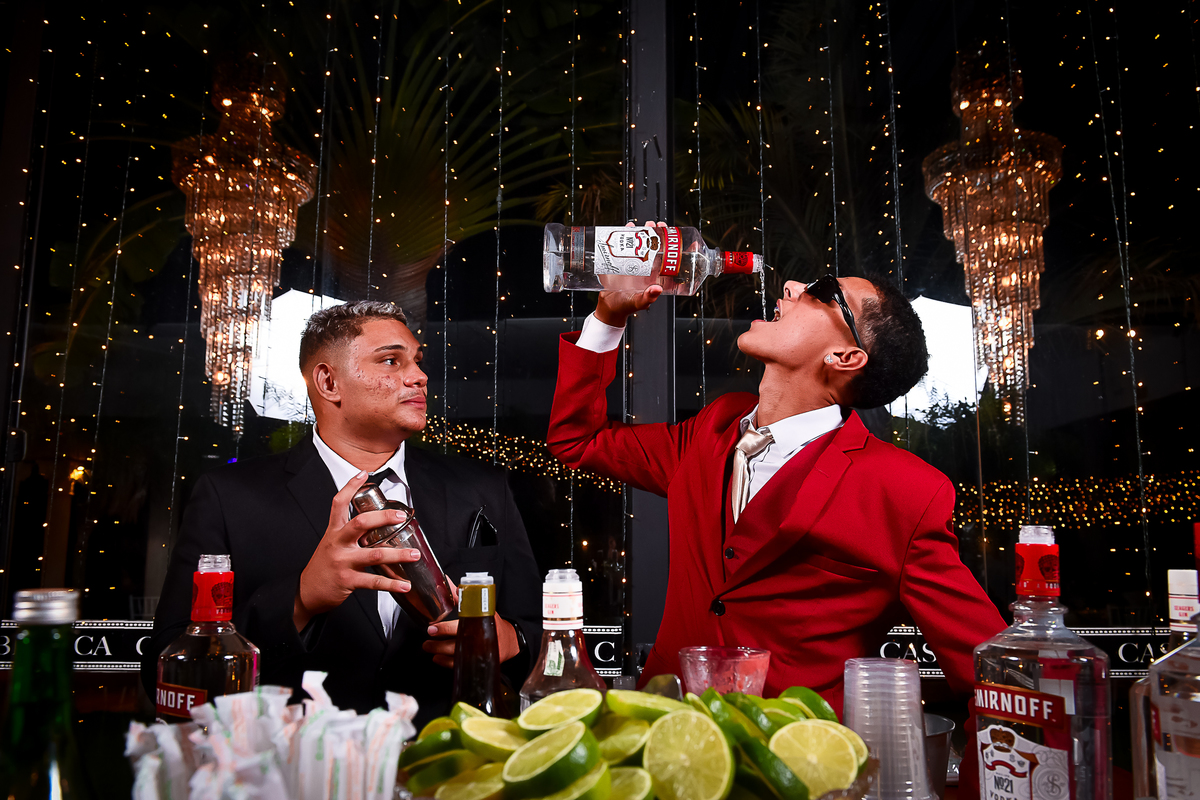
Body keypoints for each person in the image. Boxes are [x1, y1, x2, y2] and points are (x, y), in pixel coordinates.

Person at [547, 242, 1005, 796]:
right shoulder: (710, 431)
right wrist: (608, 315)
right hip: (662, 758)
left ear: (846, 357)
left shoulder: (904, 491)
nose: (791, 288)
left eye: (823, 293)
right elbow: (578, 440)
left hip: (795, 776)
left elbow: (997, 675)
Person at [142, 301, 542, 721]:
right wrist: (300, 600)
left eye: (418, 361)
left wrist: (510, 641)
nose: (419, 376)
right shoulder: (229, 496)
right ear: (329, 381)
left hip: (450, 753)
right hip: (297, 756)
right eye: (391, 361)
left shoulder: (482, 489)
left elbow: (539, 636)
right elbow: (164, 673)